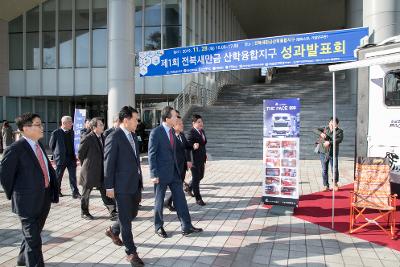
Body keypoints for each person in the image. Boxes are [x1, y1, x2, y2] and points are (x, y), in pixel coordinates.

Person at [0, 113, 59, 267]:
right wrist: (16, 195)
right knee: (34, 240)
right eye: (38, 124)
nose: (42, 127)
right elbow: (5, 176)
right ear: (26, 128)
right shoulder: (15, 149)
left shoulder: (37, 145)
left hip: (43, 198)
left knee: (33, 234)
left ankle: (22, 258)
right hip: (26, 202)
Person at [148, 106, 203, 238]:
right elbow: (152, 154)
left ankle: (186, 226)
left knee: (181, 200)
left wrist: (192, 147)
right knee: (159, 201)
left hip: (174, 173)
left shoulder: (173, 132)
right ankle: (158, 226)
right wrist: (153, 174)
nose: (177, 118)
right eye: (175, 116)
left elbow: (181, 147)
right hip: (161, 174)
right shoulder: (156, 132)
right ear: (167, 118)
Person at [104, 106, 144, 267]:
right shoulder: (114, 136)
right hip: (121, 186)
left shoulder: (133, 136)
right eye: (135, 119)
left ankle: (113, 230)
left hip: (134, 183)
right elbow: (108, 163)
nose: (137, 122)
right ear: (126, 120)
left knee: (131, 214)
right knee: (126, 220)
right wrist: (109, 186)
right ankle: (131, 252)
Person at [78, 117, 117, 220]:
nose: (102, 126)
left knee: (106, 191)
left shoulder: (104, 137)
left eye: (102, 124)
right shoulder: (88, 138)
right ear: (94, 127)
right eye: (100, 125)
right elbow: (80, 154)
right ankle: (84, 212)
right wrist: (87, 165)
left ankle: (113, 211)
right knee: (86, 193)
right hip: (89, 171)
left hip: (102, 171)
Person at [165, 114, 199, 211]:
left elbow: (187, 147)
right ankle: (174, 204)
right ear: (173, 126)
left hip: (182, 166)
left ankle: (168, 202)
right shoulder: (170, 137)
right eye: (179, 124)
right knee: (177, 187)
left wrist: (193, 146)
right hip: (174, 166)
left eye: (182, 123)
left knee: (178, 186)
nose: (182, 125)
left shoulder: (181, 135)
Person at [49, 116, 81, 198]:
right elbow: (51, 145)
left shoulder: (72, 132)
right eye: (70, 122)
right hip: (61, 158)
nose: (72, 124)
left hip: (71, 158)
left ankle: (75, 192)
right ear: (64, 123)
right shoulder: (56, 132)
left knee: (73, 176)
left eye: (71, 122)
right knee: (58, 176)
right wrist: (57, 154)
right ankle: (57, 191)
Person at [314, 117, 344, 191]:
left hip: (333, 153)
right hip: (323, 152)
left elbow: (339, 140)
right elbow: (314, 129)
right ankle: (326, 185)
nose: (332, 124)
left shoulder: (339, 131)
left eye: (334, 122)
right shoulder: (325, 128)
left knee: (334, 169)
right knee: (324, 169)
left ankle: (335, 183)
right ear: (329, 122)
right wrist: (321, 133)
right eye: (331, 122)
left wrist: (329, 142)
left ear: (337, 124)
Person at [186, 114, 207, 206]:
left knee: (200, 176)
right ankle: (198, 198)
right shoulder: (191, 132)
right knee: (196, 179)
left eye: (201, 121)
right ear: (193, 123)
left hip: (201, 158)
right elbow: (187, 146)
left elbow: (203, 143)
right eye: (198, 122)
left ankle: (189, 187)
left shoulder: (202, 131)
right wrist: (193, 146)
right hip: (194, 159)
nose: (201, 123)